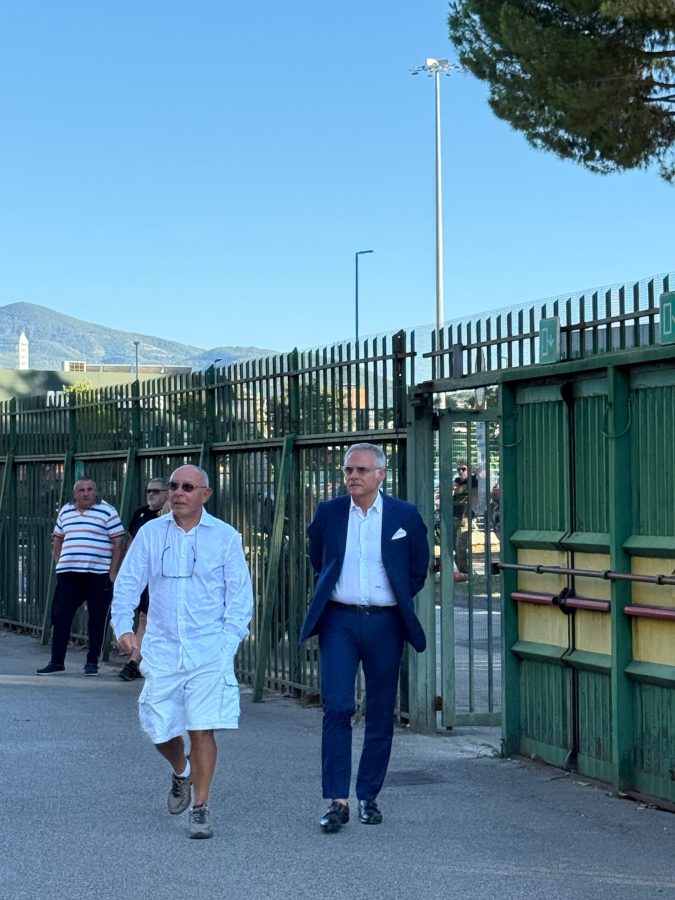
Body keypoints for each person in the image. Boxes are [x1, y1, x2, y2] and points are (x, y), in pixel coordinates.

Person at [111, 465, 253, 839]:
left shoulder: (224, 537)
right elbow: (127, 585)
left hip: (209, 649)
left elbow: (240, 596)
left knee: (201, 727)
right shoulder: (150, 534)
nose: (177, 492)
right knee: (157, 725)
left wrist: (228, 642)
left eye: (187, 487)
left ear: (205, 494)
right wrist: (124, 629)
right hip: (162, 649)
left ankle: (202, 807)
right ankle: (182, 771)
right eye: (173, 486)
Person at [300, 442, 429, 833]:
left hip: (386, 623)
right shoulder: (330, 513)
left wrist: (390, 598)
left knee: (379, 711)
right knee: (337, 706)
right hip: (339, 620)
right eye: (348, 471)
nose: (352, 476)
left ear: (380, 474)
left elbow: (418, 568)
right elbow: (318, 557)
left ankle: (368, 795)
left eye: (360, 470)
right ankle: (337, 800)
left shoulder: (404, 515)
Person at [37, 478, 125, 676]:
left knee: (98, 618)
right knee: (60, 616)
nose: (86, 493)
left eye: (90, 489)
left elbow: (118, 542)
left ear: (96, 491)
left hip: (98, 574)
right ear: (74, 493)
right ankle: (57, 662)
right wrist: (60, 563)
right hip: (69, 574)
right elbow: (57, 539)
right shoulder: (65, 511)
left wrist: (112, 573)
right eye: (81, 490)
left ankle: (92, 662)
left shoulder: (107, 511)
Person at [118, 477, 169, 681]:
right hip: (141, 576)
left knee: (147, 619)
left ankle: (134, 662)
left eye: (156, 491)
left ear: (167, 493)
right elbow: (130, 544)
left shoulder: (172, 517)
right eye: (148, 491)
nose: (151, 495)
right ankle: (137, 659)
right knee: (142, 618)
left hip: (162, 576)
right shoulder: (140, 514)